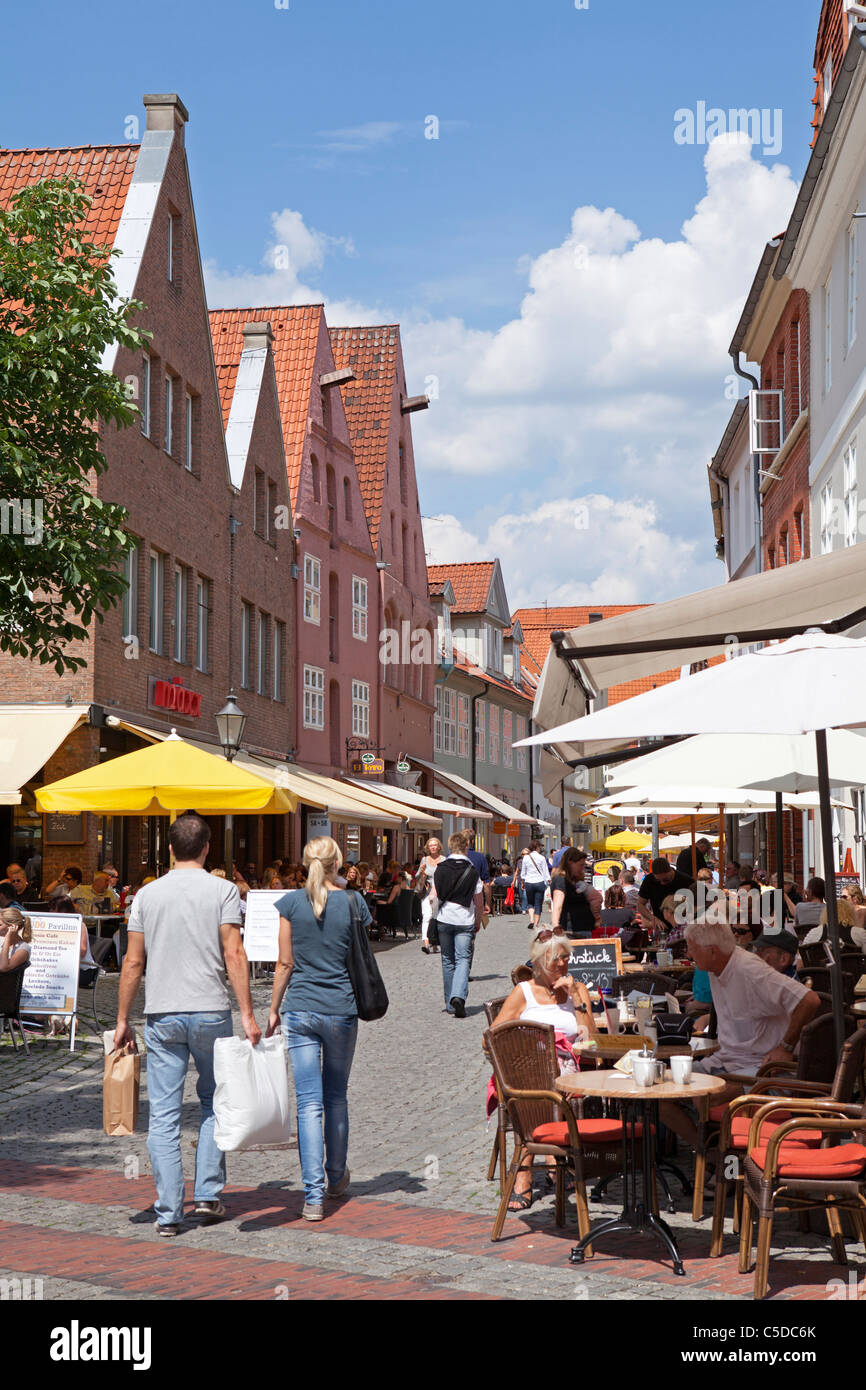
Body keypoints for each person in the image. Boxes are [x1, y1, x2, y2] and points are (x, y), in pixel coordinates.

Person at [113, 812, 261, 1238]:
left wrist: (123, 1018)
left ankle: (168, 1212)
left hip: (162, 1012)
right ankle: (210, 1194)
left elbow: (133, 961)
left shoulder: (146, 895)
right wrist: (247, 1013)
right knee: (215, 1101)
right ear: (208, 848)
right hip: (210, 1009)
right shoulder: (223, 890)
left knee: (163, 1114)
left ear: (171, 849)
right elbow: (235, 954)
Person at [265, 836, 369, 1222]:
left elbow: (285, 963)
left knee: (308, 1104)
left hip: (301, 1010)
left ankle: (312, 1196)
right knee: (336, 1096)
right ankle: (336, 1177)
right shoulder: (353, 902)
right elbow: (360, 954)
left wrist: (273, 1009)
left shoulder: (291, 903)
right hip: (341, 1008)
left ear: (305, 861)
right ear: (337, 863)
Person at [659, 915, 821, 1149]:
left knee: (703, 1092)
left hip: (765, 1073)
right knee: (655, 1089)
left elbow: (809, 999)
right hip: (728, 1063)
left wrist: (785, 1046)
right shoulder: (716, 967)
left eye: (692, 949)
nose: (688, 955)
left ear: (712, 950)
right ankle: (706, 1153)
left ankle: (719, 1156)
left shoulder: (749, 970)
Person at [493, 933, 593, 1209]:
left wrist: (576, 999)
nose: (562, 964)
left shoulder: (577, 990)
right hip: (526, 1069)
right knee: (539, 1082)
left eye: (566, 958)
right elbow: (490, 1038)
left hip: (568, 1069)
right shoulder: (523, 992)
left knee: (553, 1080)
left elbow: (590, 1038)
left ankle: (534, 1163)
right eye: (555, 959)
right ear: (538, 961)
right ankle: (544, 1162)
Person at [433, 830, 482, 1018]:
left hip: (444, 918)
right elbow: (478, 902)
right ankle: (458, 997)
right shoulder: (472, 870)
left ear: (450, 847)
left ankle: (450, 1003)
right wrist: (477, 921)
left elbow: (435, 897)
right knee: (463, 959)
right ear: (466, 847)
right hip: (464, 920)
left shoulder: (441, 868)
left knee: (447, 960)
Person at [549, 848, 600, 938]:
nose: (582, 868)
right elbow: (557, 906)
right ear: (570, 862)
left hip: (582, 929)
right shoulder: (560, 880)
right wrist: (556, 927)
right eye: (580, 865)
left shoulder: (574, 881)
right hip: (571, 931)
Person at [638, 858, 695, 930]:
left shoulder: (686, 881)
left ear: (671, 870)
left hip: (683, 928)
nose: (662, 883)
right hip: (660, 928)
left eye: (665, 880)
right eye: (658, 880)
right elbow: (640, 904)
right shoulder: (649, 880)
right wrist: (653, 919)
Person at [416, 836, 445, 955]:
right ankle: (426, 943)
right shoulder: (424, 860)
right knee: (426, 916)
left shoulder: (444, 859)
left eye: (435, 845)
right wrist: (422, 873)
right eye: (430, 845)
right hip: (427, 892)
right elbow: (418, 876)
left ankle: (435, 942)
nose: (433, 847)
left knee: (437, 917)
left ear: (438, 847)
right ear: (428, 847)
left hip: (440, 892)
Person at [518, 840, 551, 930]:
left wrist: (523, 882)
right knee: (538, 904)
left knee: (530, 902)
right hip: (539, 882)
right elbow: (545, 872)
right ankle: (536, 924)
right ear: (537, 847)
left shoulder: (526, 858)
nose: (540, 848)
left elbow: (523, 872)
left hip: (529, 882)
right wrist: (548, 880)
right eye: (540, 847)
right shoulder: (542, 858)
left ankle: (532, 920)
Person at [465, 830, 492, 912]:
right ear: (472, 841)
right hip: (475, 899)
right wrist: (487, 903)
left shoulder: (450, 856)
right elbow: (487, 884)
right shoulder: (480, 857)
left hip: (454, 901)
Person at [0, 907, 31, 972]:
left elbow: (3, 967)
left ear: (12, 927)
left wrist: (8, 936)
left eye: (0, 925)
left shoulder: (23, 948)